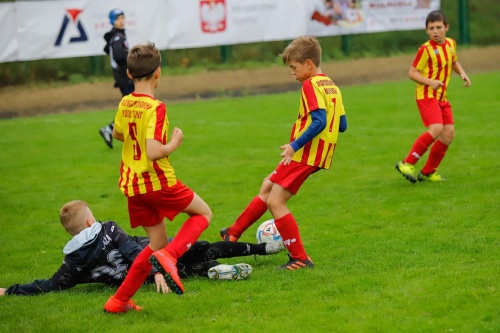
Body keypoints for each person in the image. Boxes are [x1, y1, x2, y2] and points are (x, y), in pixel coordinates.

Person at [219, 36, 347, 271]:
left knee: (276, 202)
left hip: (305, 153)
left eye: (294, 67)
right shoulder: (331, 85)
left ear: (309, 64)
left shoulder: (310, 85)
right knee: (268, 184)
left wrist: (294, 145)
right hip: (320, 153)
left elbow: (319, 121)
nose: (292, 73)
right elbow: (342, 125)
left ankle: (300, 258)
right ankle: (233, 233)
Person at [103, 42, 212, 313]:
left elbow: (118, 134)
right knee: (203, 215)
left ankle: (118, 301)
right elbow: (153, 152)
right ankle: (170, 256)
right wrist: (174, 142)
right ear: (158, 72)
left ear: (128, 74)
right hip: (157, 182)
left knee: (156, 243)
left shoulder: (125, 101)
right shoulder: (156, 107)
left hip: (132, 186)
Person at [0, 200, 284, 297]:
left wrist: (8, 290)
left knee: (191, 270)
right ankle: (263, 249)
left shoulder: (72, 263)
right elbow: (132, 251)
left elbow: (50, 285)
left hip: (143, 278)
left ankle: (215, 271)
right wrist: (159, 268)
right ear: (90, 221)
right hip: (158, 253)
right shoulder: (108, 228)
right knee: (206, 247)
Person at [395, 10, 471, 183]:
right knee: (436, 129)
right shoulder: (426, 49)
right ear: (427, 31)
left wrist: (462, 73)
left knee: (448, 134)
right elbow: (412, 73)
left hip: (442, 97)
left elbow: (453, 61)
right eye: (431, 28)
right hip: (426, 95)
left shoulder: (451, 44)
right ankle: (407, 163)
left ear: (446, 27)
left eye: (438, 27)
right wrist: (429, 81)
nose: (435, 31)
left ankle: (428, 171)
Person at [99, 8, 135, 149]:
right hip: (125, 79)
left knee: (130, 109)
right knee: (132, 109)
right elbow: (120, 57)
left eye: (122, 18)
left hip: (123, 79)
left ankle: (110, 129)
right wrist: (134, 57)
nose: (121, 21)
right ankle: (111, 129)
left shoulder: (117, 36)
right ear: (112, 21)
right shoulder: (118, 38)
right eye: (118, 18)